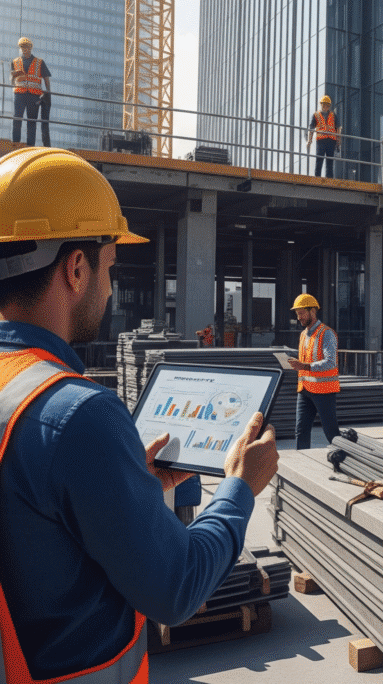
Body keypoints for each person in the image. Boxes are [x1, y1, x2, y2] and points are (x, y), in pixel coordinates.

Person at [0, 147, 279, 681]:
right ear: (75, 269)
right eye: (109, 266)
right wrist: (241, 487)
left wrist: (129, 484)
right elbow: (175, 589)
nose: (109, 287)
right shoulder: (78, 414)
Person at [287, 293, 340, 449]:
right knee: (301, 431)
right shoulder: (303, 334)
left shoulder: (327, 333)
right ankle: (301, 463)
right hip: (305, 390)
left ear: (313, 311)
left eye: (302, 313)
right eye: (297, 314)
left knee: (331, 432)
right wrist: (296, 364)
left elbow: (331, 363)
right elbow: (306, 360)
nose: (299, 318)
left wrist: (305, 366)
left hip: (324, 391)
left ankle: (344, 461)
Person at [10, 36, 51, 146]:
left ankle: (30, 145)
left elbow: (46, 78)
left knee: (31, 121)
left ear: (30, 48)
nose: (24, 49)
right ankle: (15, 142)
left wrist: (48, 93)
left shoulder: (39, 62)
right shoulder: (15, 61)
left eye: (26, 47)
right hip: (19, 94)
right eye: (22, 47)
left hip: (34, 96)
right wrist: (14, 77)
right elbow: (12, 80)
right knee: (17, 118)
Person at [306, 95, 339, 178]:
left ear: (329, 106)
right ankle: (317, 178)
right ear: (321, 104)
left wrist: (338, 142)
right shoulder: (316, 115)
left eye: (327, 105)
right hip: (321, 140)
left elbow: (338, 128)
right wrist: (309, 141)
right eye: (324, 104)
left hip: (331, 140)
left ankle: (329, 180)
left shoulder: (333, 115)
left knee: (330, 162)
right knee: (319, 160)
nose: (325, 106)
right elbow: (311, 128)